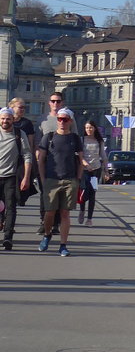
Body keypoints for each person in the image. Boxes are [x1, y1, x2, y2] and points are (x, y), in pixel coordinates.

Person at [37, 107, 83, 256]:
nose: (62, 122)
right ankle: (47, 234)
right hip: (51, 179)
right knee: (49, 212)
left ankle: (63, 245)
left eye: (65, 119)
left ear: (70, 121)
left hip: (69, 180)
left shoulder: (75, 139)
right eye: (59, 119)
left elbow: (81, 161)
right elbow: (41, 160)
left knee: (65, 213)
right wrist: (43, 179)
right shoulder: (49, 137)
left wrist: (78, 179)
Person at [0, 107, 34, 250]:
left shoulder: (19, 134)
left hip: (11, 177)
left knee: (11, 207)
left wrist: (26, 177)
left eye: (8, 118)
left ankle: (8, 238)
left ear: (13, 119)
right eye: (2, 118)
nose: (5, 121)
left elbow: (27, 155)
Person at [38, 92, 68, 238]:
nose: (55, 104)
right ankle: (43, 222)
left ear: (62, 103)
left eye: (58, 101)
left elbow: (73, 139)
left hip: (61, 162)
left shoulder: (68, 118)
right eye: (53, 101)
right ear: (49, 103)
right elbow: (37, 140)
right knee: (45, 193)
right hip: (45, 160)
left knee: (58, 194)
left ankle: (55, 224)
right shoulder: (43, 119)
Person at [8, 98, 38, 206]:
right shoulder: (5, 121)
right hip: (6, 159)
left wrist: (31, 160)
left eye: (24, 107)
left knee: (18, 191)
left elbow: (31, 143)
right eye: (20, 107)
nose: (23, 109)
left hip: (21, 160)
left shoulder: (27, 123)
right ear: (12, 107)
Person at [78, 120, 107, 227]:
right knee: (84, 192)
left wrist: (106, 170)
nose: (88, 130)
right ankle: (82, 210)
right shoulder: (81, 140)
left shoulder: (99, 141)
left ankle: (89, 219)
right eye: (86, 128)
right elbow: (79, 156)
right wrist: (86, 165)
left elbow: (103, 156)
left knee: (92, 194)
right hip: (84, 169)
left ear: (94, 128)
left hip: (96, 170)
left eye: (90, 127)